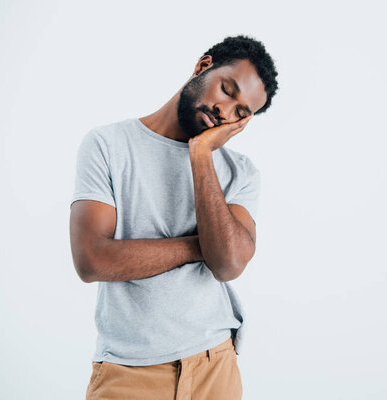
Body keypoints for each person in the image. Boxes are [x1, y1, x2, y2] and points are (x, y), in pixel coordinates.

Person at [69, 35, 278, 400]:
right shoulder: (108, 145)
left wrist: (200, 154)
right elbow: (92, 260)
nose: (226, 112)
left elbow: (228, 263)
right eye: (227, 90)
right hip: (129, 372)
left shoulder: (240, 172)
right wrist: (199, 247)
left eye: (242, 113)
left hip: (216, 366)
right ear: (203, 66)